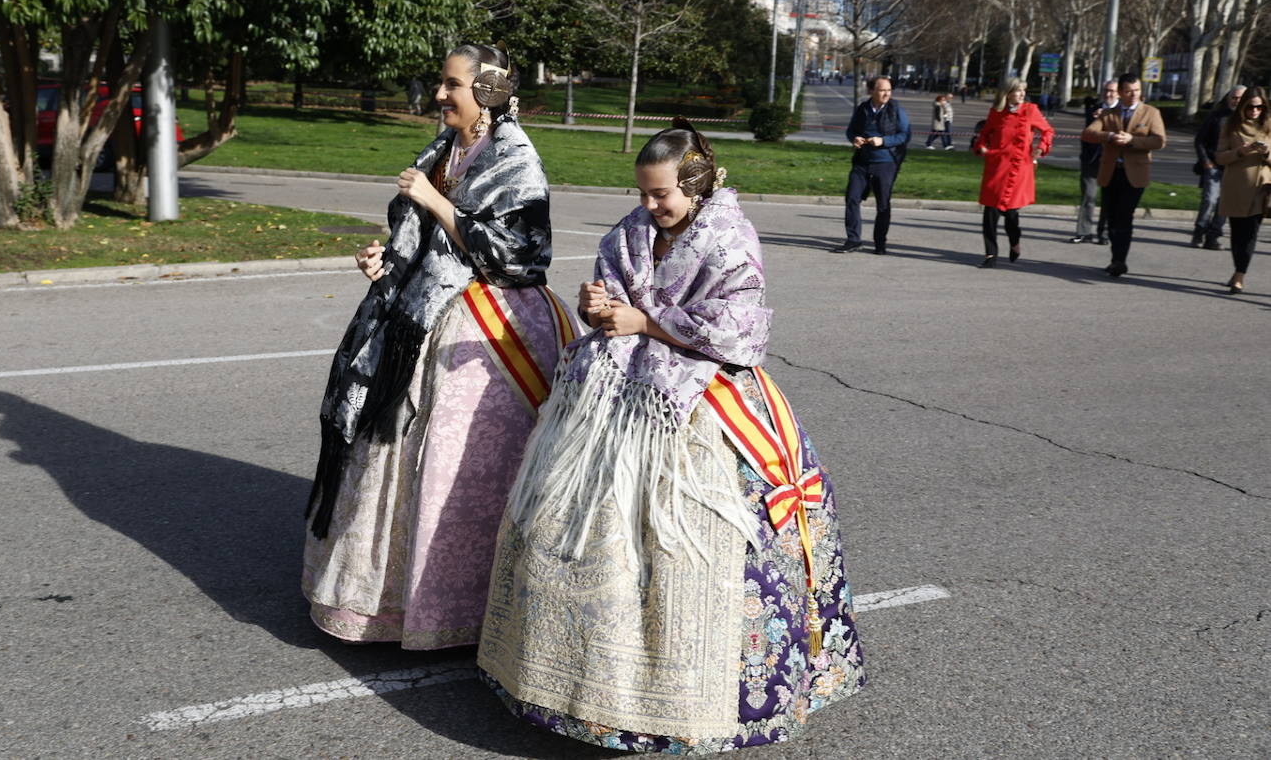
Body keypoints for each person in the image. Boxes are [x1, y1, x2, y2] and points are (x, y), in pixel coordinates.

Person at [479, 120, 866, 752]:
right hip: (610, 397)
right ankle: (563, 689)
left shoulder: (731, 238)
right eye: (643, 193)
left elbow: (742, 335)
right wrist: (597, 306)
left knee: (688, 548)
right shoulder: (632, 233)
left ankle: (690, 705)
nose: (650, 206)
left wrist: (645, 320)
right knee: (562, 525)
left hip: (697, 399)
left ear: (698, 180)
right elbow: (614, 298)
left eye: (661, 194)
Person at [304, 43, 576, 649]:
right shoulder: (444, 148)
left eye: (451, 85)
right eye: (442, 83)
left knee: (446, 469)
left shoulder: (516, 159)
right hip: (417, 315)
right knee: (388, 458)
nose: (439, 95)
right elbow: (414, 232)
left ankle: (457, 613)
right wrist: (385, 258)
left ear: (487, 91)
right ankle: (375, 604)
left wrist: (437, 202)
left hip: (484, 329)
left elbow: (521, 255)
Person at [1082, 73, 1166, 278]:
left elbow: (1159, 141)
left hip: (1135, 173)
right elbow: (1088, 133)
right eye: (1128, 91)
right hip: (1111, 172)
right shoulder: (1108, 114)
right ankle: (1115, 258)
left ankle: (1120, 261)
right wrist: (1109, 136)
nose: (1133, 95)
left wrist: (1132, 140)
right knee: (1111, 218)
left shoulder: (1151, 113)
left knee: (1124, 217)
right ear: (1120, 92)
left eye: (1137, 90)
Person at [972, 79, 1055, 268]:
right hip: (997, 167)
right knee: (990, 213)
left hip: (1019, 169)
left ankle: (1014, 243)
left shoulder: (1030, 110)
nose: (1022, 94)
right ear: (1007, 93)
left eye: (1023, 91)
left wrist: (1041, 148)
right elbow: (984, 134)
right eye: (1018, 91)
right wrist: (981, 147)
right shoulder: (996, 112)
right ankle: (990, 254)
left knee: (1011, 215)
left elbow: (1048, 131)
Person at [833, 75, 911, 254]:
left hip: (885, 162)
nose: (886, 94)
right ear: (872, 91)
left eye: (889, 90)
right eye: (882, 90)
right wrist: (855, 138)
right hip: (862, 161)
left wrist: (883, 141)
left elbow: (905, 135)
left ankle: (880, 242)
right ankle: (853, 240)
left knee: (883, 203)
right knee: (852, 198)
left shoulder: (896, 109)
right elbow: (851, 130)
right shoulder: (863, 108)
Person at [1213, 87, 1271, 294]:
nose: (1255, 111)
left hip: (1259, 189)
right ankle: (1238, 268)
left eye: (1260, 107)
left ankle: (1240, 275)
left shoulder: (1269, 126)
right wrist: (1240, 151)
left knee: (1250, 233)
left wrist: (1267, 153)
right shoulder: (1230, 125)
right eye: (1251, 106)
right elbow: (1219, 157)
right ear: (1243, 106)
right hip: (1235, 187)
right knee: (1237, 234)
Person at [1192, 85, 1246, 250]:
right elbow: (1200, 141)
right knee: (1210, 200)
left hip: (1235, 167)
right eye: (1234, 97)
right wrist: (1206, 162)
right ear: (1228, 98)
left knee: (1225, 204)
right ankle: (1199, 232)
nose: (1237, 101)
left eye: (1240, 98)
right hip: (1214, 165)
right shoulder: (1216, 116)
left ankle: (1213, 236)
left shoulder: (1248, 119)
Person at [1071, 82, 1117, 244]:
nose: (1108, 94)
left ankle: (1103, 233)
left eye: (1112, 91)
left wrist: (1108, 116)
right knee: (1088, 195)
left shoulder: (1122, 112)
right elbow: (1087, 134)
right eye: (1106, 90)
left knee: (1108, 198)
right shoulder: (1093, 109)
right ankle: (1084, 232)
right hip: (1091, 159)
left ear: (1118, 94)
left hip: (1113, 160)